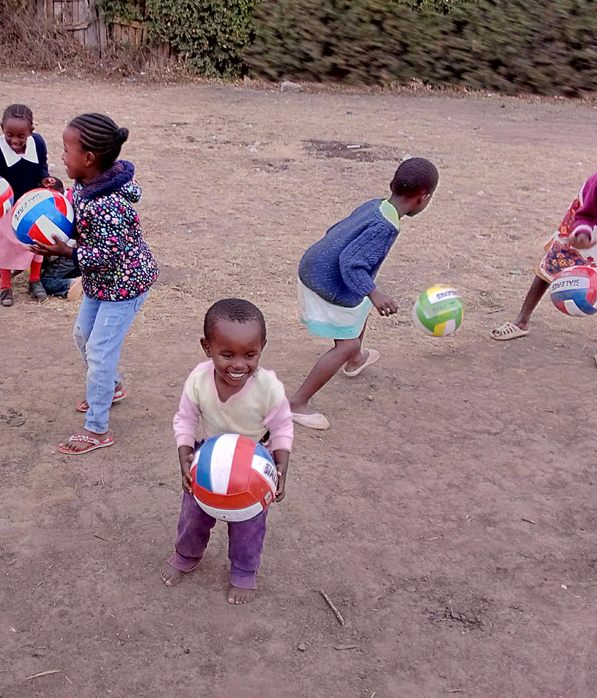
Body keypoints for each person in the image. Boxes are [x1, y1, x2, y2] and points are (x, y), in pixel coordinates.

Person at [30, 113, 158, 455]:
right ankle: (111, 387)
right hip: (102, 284)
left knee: (100, 352)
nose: (61, 156)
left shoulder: (109, 203)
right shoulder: (87, 186)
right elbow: (76, 215)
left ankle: (97, 429)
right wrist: (56, 198)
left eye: (66, 150)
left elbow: (108, 254)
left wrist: (66, 250)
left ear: (88, 158)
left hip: (126, 286)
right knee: (82, 337)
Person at [289, 157, 440, 430]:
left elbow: (336, 231)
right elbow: (351, 263)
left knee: (361, 305)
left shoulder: (377, 206)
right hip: (325, 279)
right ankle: (297, 404)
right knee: (346, 343)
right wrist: (373, 291)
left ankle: (355, 360)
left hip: (316, 264)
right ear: (423, 197)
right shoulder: (385, 227)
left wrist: (367, 291)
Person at [160, 298, 293, 605]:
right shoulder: (198, 379)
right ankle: (187, 554)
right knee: (193, 515)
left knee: (249, 526)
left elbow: (283, 427)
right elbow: (185, 419)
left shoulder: (269, 387)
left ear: (262, 347)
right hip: (205, 460)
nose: (238, 364)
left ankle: (244, 571)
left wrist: (281, 468)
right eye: (227, 354)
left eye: (250, 354)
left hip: (253, 470)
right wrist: (184, 456)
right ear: (207, 348)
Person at [490, 151, 597, 373]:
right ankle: (522, 321)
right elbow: (585, 214)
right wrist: (582, 234)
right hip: (588, 219)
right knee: (554, 263)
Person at [0, 104, 49, 307]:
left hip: (31, 203)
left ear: (31, 132)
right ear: (2, 128)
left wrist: (45, 179)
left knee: (36, 240)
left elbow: (42, 166)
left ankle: (34, 280)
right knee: (6, 243)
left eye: (21, 136)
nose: (15, 141)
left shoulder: (38, 144)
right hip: (6, 205)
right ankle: (5, 286)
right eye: (9, 135)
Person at [39, 177, 82, 299]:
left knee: (44, 282)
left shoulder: (59, 206)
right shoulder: (76, 195)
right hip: (87, 253)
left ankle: (72, 284)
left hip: (71, 251)